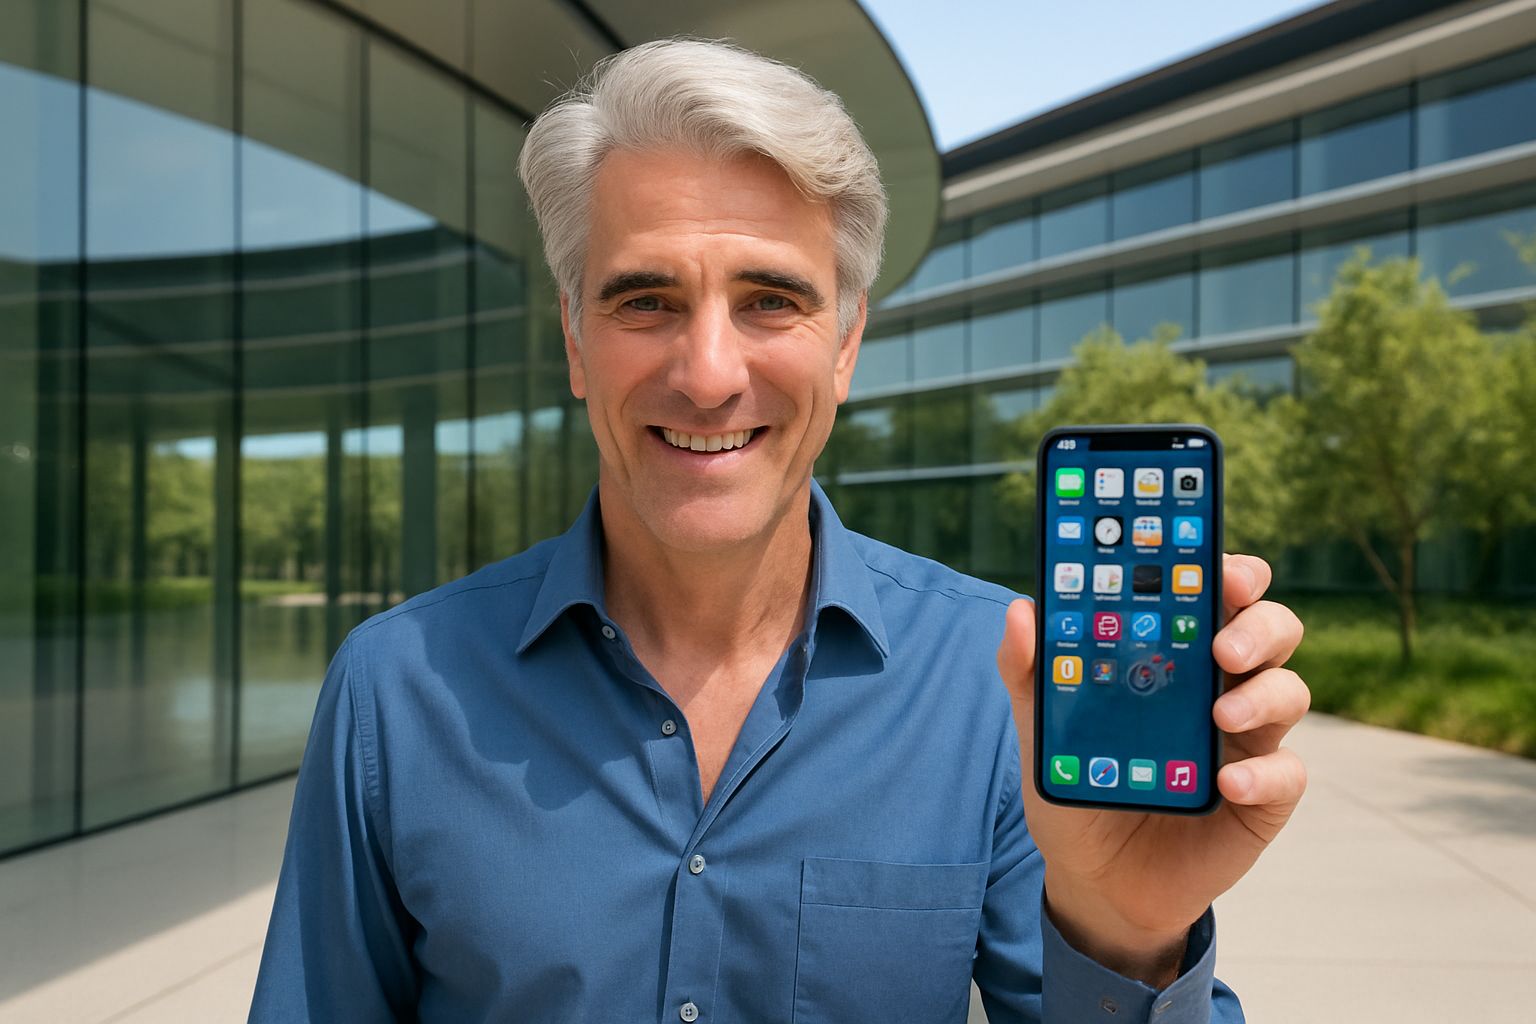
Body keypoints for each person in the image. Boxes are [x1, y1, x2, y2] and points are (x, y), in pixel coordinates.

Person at [250, 38, 1309, 1023]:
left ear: (846, 346)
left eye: (770, 301)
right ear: (574, 340)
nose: (709, 375)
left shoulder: (1002, 685)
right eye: (645, 301)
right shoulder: (395, 693)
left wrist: (1127, 936)